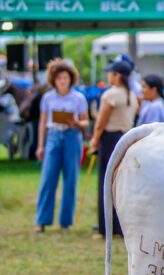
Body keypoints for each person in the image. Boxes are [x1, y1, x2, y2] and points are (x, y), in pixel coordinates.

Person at [34, 59, 89, 233]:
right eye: (59, 78)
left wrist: (77, 123)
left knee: (70, 179)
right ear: (54, 80)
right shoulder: (47, 97)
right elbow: (43, 122)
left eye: (65, 78)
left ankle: (66, 222)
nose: (62, 81)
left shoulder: (79, 98)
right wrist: (40, 145)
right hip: (53, 135)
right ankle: (42, 220)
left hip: (72, 136)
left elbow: (86, 121)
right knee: (48, 178)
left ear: (70, 79)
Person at [90, 60, 139, 237]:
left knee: (106, 183)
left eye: (110, 73)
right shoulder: (132, 95)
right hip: (126, 139)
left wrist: (94, 141)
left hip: (110, 139)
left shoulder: (110, 95)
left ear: (117, 76)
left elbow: (100, 122)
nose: (108, 76)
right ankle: (120, 227)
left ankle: (106, 228)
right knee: (122, 185)